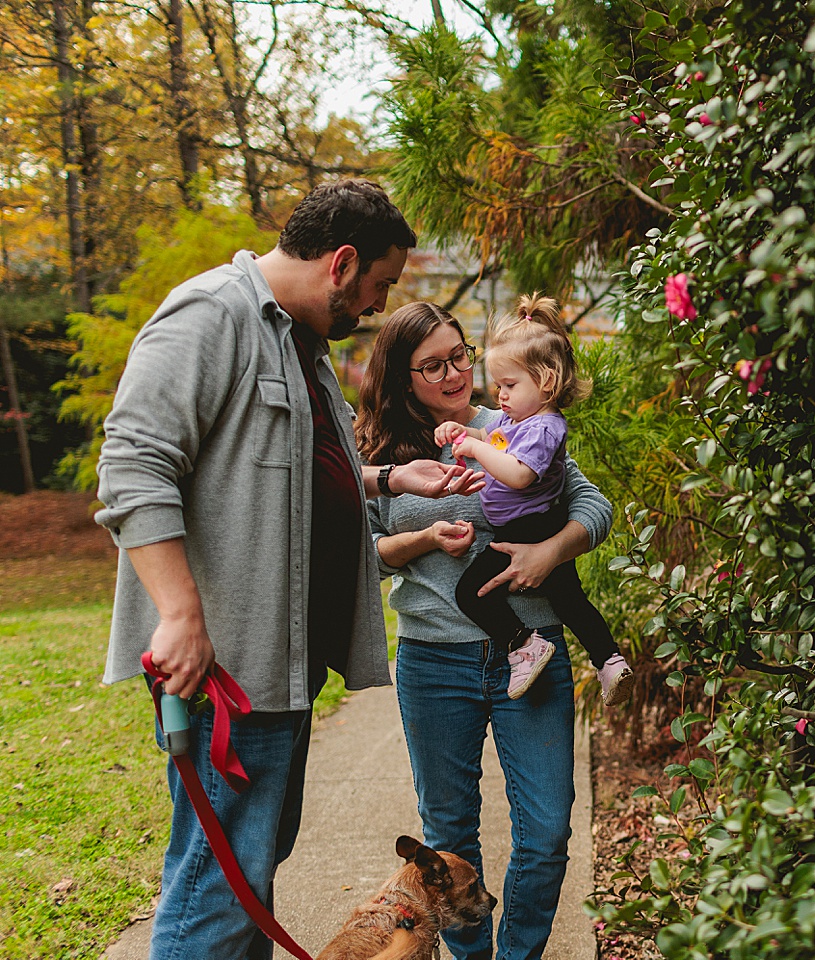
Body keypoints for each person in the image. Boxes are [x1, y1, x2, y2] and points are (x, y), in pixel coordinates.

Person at [95, 179, 483, 960]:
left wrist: (385, 480)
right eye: (379, 285)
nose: (377, 306)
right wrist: (179, 615)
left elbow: (297, 475)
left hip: (281, 669)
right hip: (226, 671)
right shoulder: (213, 316)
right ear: (341, 263)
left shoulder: (301, 345)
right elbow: (133, 465)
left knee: (246, 880)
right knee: (216, 885)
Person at [355, 300, 613, 960]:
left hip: (532, 650)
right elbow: (363, 556)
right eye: (431, 366)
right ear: (400, 376)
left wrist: (551, 552)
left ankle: (518, 956)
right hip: (434, 662)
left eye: (459, 357)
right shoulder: (382, 458)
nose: (452, 375)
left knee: (548, 829)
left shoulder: (516, 421)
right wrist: (419, 540)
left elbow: (593, 505)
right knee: (448, 834)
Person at [436, 293, 634, 706]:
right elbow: (495, 440)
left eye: (509, 385)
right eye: (497, 387)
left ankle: (523, 643)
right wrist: (462, 434)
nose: (500, 396)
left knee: (471, 592)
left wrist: (476, 451)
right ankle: (609, 660)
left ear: (545, 381)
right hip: (530, 524)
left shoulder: (545, 428)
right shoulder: (516, 421)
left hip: (533, 526)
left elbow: (519, 473)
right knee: (569, 599)